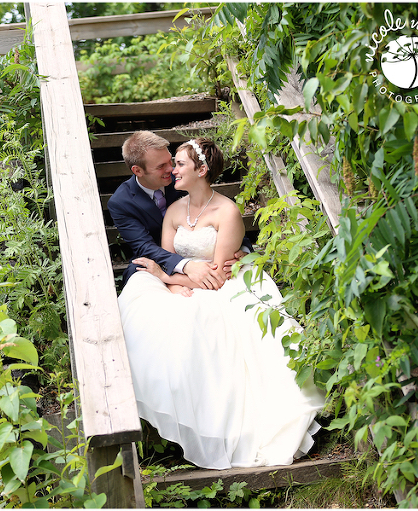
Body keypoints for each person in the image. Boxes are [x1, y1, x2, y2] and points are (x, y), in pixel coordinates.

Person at [117, 137, 325, 469]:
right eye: (167, 165)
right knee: (144, 302)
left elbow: (215, 274)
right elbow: (164, 256)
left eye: (179, 163)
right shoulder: (168, 208)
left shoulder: (225, 209)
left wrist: (169, 276)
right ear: (139, 170)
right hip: (183, 277)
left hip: (218, 282)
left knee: (210, 324)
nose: (172, 169)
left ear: (201, 170)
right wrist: (169, 277)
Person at [108, 131, 250, 288]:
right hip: (157, 261)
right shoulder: (121, 202)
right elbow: (144, 247)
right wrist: (184, 267)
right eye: (161, 166)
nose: (171, 170)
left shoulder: (186, 179)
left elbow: (221, 219)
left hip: (210, 265)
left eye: (172, 162)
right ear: (138, 171)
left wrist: (242, 251)